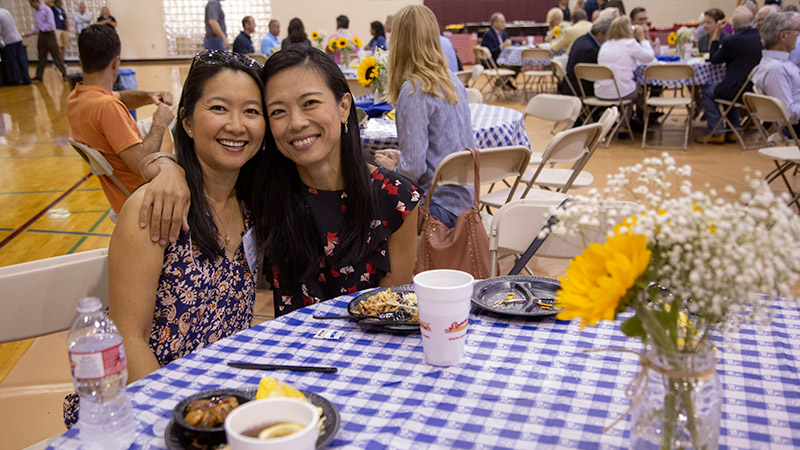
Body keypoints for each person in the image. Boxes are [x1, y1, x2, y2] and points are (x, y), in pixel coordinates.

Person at [63, 50, 268, 428]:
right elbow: (128, 336)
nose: (237, 125)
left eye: (252, 111)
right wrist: (183, 421)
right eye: (219, 108)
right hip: (148, 404)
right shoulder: (155, 207)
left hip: (219, 400)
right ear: (187, 122)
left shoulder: (255, 202)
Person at [261, 45, 420, 315]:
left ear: (344, 107)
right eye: (278, 111)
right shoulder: (263, 191)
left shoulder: (396, 200)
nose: (296, 122)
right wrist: (164, 163)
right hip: (289, 350)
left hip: (366, 352)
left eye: (310, 103)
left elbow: (389, 312)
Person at [374, 4, 474, 228]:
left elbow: (414, 171)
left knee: (367, 194)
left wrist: (393, 169)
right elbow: (439, 152)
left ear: (398, 42)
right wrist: (403, 157)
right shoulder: (453, 80)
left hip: (436, 206)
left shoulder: (413, 91)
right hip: (465, 201)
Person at [68, 24, 176, 214]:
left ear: (80, 59)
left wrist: (149, 96)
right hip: (143, 195)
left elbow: (119, 96)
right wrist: (159, 123)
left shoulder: (78, 98)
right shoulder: (107, 108)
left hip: (121, 195)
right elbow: (142, 164)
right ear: (115, 62)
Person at [696, 7, 761, 144]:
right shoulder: (760, 37)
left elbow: (713, 58)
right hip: (757, 88)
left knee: (709, 90)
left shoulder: (733, 41)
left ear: (734, 25)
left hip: (739, 91)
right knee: (726, 88)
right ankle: (734, 131)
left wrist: (716, 34)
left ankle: (717, 132)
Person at [596, 16, 654, 122]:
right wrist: (642, 39)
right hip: (621, 93)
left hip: (600, 92)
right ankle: (634, 120)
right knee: (637, 91)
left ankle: (625, 124)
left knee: (630, 87)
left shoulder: (605, 45)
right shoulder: (629, 43)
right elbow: (649, 57)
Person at [753, 12, 800, 134]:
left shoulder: (777, 62)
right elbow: (787, 114)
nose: (798, 34)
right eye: (797, 30)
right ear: (783, 36)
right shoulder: (776, 68)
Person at [561, 17, 611, 97]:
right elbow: (591, 78)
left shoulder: (582, 39)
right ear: (600, 34)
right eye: (610, 35)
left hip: (572, 87)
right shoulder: (590, 49)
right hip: (581, 92)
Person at [26, 0, 67, 83]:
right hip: (41, 36)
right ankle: (39, 77)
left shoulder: (47, 10)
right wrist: (30, 33)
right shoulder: (35, 12)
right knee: (41, 57)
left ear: (36, 2)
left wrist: (41, 30)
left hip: (50, 35)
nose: (31, 5)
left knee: (56, 56)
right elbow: (38, 25)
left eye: (31, 3)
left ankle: (65, 74)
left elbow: (51, 24)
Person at [0, 7, 32, 85]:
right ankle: (27, 79)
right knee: (22, 60)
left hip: (9, 40)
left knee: (13, 61)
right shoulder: (5, 11)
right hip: (18, 38)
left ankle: (17, 79)